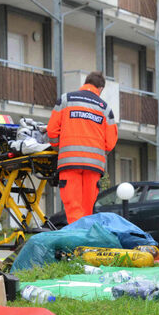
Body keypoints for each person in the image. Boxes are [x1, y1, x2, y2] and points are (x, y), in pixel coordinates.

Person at [47, 71, 118, 224]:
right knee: (87, 209)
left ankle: (77, 242)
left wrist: (59, 148)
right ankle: (85, 242)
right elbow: (110, 142)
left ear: (85, 83)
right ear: (100, 89)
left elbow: (52, 131)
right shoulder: (105, 108)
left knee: (73, 208)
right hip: (93, 166)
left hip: (69, 163)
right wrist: (97, 151)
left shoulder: (66, 100)